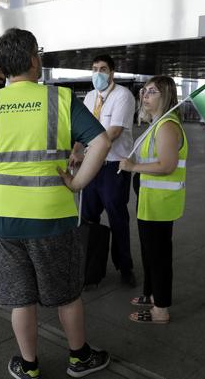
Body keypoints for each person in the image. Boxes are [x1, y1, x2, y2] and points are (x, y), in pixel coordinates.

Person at [0, 28, 112, 379]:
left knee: (20, 298)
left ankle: (29, 365)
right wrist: (78, 182)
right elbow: (101, 142)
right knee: (66, 295)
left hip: (2, 218)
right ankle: (79, 359)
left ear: (2, 67)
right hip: (53, 216)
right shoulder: (60, 99)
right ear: (35, 59)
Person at [119, 76, 187, 324]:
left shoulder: (167, 126)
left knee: (158, 256)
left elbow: (167, 165)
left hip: (161, 203)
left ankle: (161, 309)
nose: (144, 96)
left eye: (152, 92)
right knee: (149, 252)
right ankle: (150, 294)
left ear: (166, 95)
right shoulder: (157, 124)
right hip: (150, 201)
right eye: (144, 91)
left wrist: (133, 166)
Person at [70, 54, 137, 287]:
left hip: (113, 166)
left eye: (103, 69)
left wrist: (87, 152)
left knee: (117, 216)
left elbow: (115, 131)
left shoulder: (123, 96)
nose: (98, 73)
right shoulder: (89, 97)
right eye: (95, 68)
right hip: (92, 166)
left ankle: (124, 266)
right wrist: (75, 150)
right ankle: (90, 267)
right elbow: (81, 130)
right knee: (88, 217)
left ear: (112, 73)